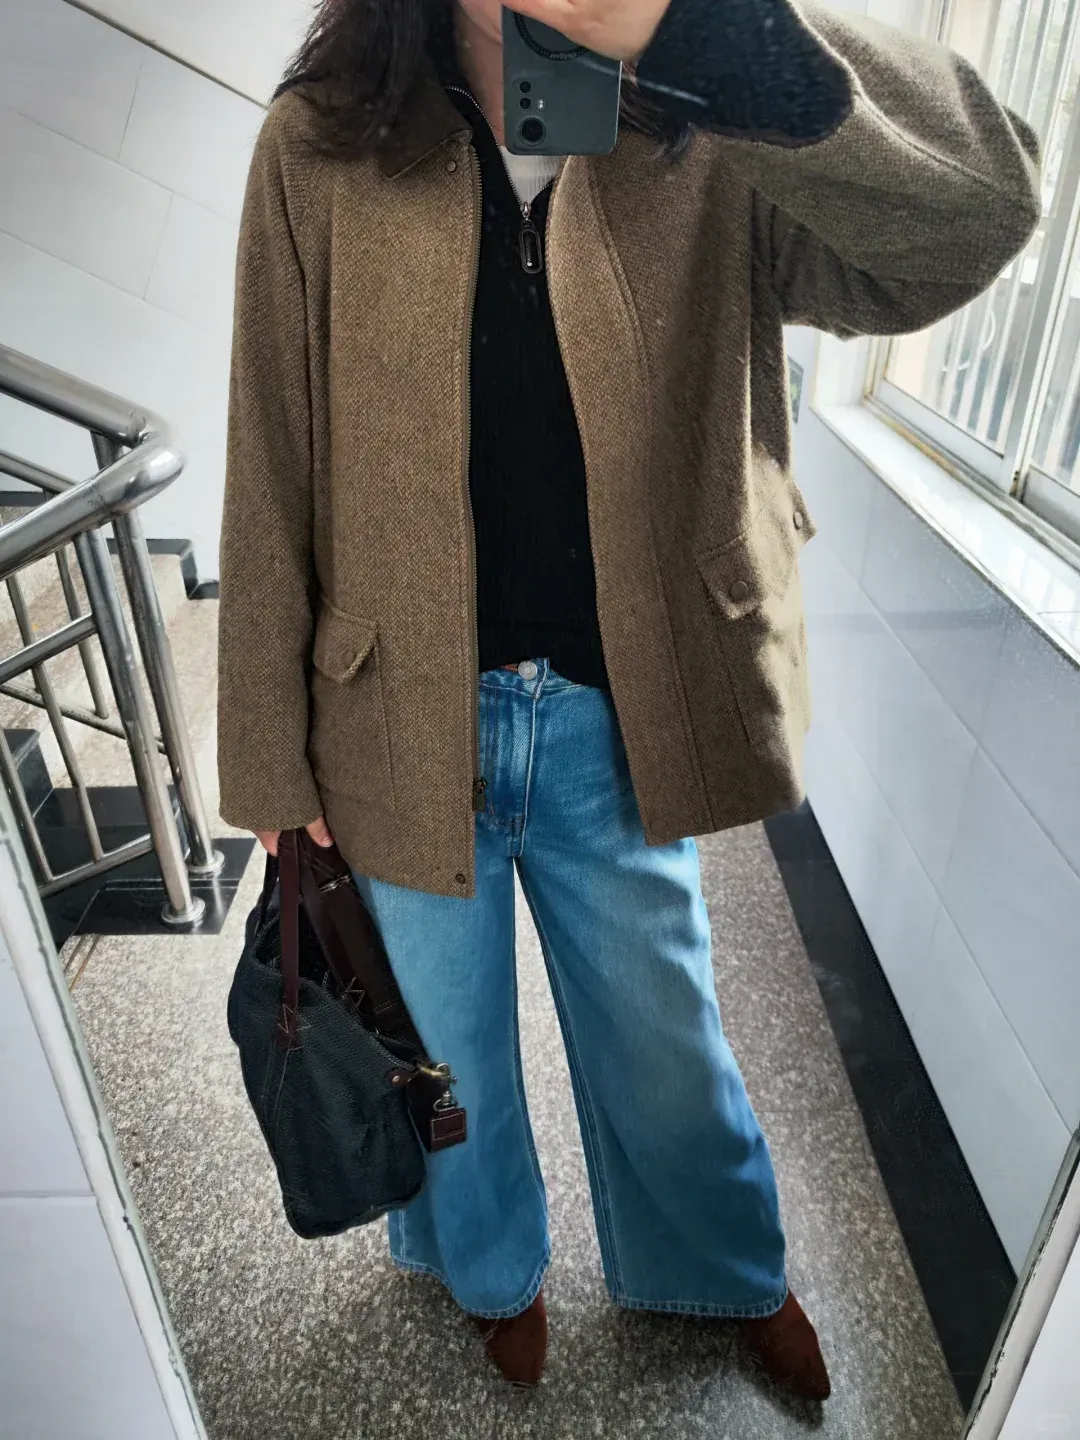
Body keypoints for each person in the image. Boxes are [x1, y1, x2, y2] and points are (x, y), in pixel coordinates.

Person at [217, 0, 1040, 1402]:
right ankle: (489, 1275)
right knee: (445, 1057)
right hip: (391, 711)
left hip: (617, 708)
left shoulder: (704, 124)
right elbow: (270, 447)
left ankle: (721, 1266)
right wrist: (269, 767)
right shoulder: (322, 137)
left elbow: (978, 214)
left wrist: (701, 32)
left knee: (666, 1044)